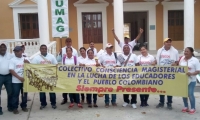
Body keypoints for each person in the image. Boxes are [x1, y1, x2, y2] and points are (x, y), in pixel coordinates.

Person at [31, 45, 58, 110]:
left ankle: (53, 103)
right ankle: (43, 104)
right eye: (42, 49)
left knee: (51, 91)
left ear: (47, 49)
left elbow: (56, 65)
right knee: (42, 92)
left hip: (50, 77)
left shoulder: (51, 56)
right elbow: (32, 66)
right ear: (40, 50)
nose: (44, 50)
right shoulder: (36, 58)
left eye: (45, 49)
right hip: (41, 77)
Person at [156, 38, 179, 110]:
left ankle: (169, 103)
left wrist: (175, 64)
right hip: (161, 72)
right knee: (161, 87)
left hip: (170, 73)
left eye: (170, 42)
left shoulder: (175, 51)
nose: (169, 43)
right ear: (164, 43)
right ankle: (161, 102)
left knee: (169, 88)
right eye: (167, 42)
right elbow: (157, 60)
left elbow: (177, 62)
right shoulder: (160, 50)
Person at [9, 46, 30, 114]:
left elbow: (31, 68)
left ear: (21, 51)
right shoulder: (12, 60)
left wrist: (28, 63)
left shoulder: (25, 59)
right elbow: (11, 70)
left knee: (24, 94)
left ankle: (24, 106)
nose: (16, 53)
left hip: (24, 80)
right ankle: (15, 107)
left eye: (18, 51)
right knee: (15, 94)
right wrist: (19, 78)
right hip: (16, 81)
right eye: (15, 51)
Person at [57, 38, 78, 105]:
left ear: (71, 42)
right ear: (65, 42)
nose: (68, 43)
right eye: (67, 41)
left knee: (73, 86)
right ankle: (65, 99)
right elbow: (58, 60)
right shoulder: (62, 49)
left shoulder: (74, 50)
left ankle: (74, 99)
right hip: (65, 74)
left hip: (73, 74)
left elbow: (76, 61)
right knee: (65, 87)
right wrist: (59, 53)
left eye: (69, 41)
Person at [98, 43, 120, 108]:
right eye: (109, 48)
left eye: (111, 48)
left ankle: (113, 101)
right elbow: (98, 63)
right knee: (107, 88)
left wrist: (117, 65)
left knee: (114, 88)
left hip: (114, 75)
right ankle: (107, 102)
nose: (110, 49)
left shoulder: (115, 55)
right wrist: (102, 66)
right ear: (106, 49)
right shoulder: (103, 56)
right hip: (106, 75)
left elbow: (118, 62)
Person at [179, 47, 200, 114]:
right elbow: (179, 68)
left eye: (187, 51)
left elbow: (198, 71)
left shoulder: (195, 60)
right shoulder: (182, 59)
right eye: (185, 51)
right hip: (183, 80)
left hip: (191, 80)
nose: (185, 52)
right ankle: (186, 106)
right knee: (184, 94)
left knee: (190, 94)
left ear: (191, 52)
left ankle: (193, 108)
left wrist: (191, 73)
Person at [0, 43, 13, 115]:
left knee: (10, 92)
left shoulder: (9, 55)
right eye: (1, 47)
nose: (2, 49)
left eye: (4, 48)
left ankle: (10, 106)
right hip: (0, 76)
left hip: (8, 76)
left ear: (6, 49)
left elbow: (18, 57)